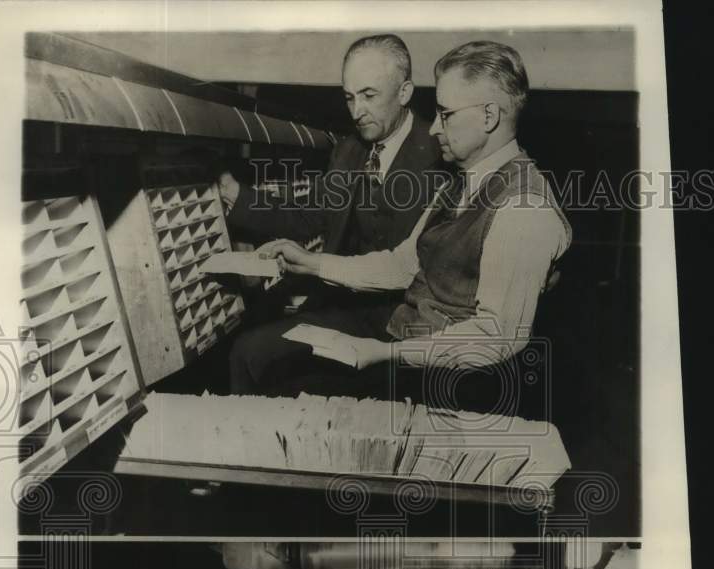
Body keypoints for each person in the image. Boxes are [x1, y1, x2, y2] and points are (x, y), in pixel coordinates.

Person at [259, 40, 572, 410]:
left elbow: (496, 338)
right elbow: (403, 265)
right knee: (270, 368)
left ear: (489, 116)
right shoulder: (461, 180)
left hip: (458, 386)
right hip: (412, 346)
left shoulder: (524, 209)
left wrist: (384, 354)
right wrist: (309, 263)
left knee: (285, 392)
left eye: (446, 113)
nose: (435, 127)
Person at [221, 34, 442, 393]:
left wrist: (313, 265)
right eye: (349, 97)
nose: (356, 111)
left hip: (403, 321)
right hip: (343, 309)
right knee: (249, 352)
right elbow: (310, 216)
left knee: (261, 359)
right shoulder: (349, 151)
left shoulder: (439, 153)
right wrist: (236, 196)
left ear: (404, 93)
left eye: (369, 96)